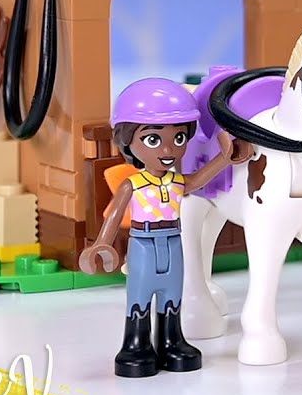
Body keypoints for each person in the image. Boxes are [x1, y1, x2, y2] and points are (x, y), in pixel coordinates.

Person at [80, 78, 252, 378]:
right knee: (140, 295)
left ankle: (172, 341)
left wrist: (226, 157)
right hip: (143, 244)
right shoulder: (133, 184)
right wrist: (102, 243)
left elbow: (198, 179)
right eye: (153, 139)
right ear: (127, 140)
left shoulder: (176, 181)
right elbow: (114, 216)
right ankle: (136, 345)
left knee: (172, 294)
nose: (169, 148)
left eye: (179, 138)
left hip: (173, 241)